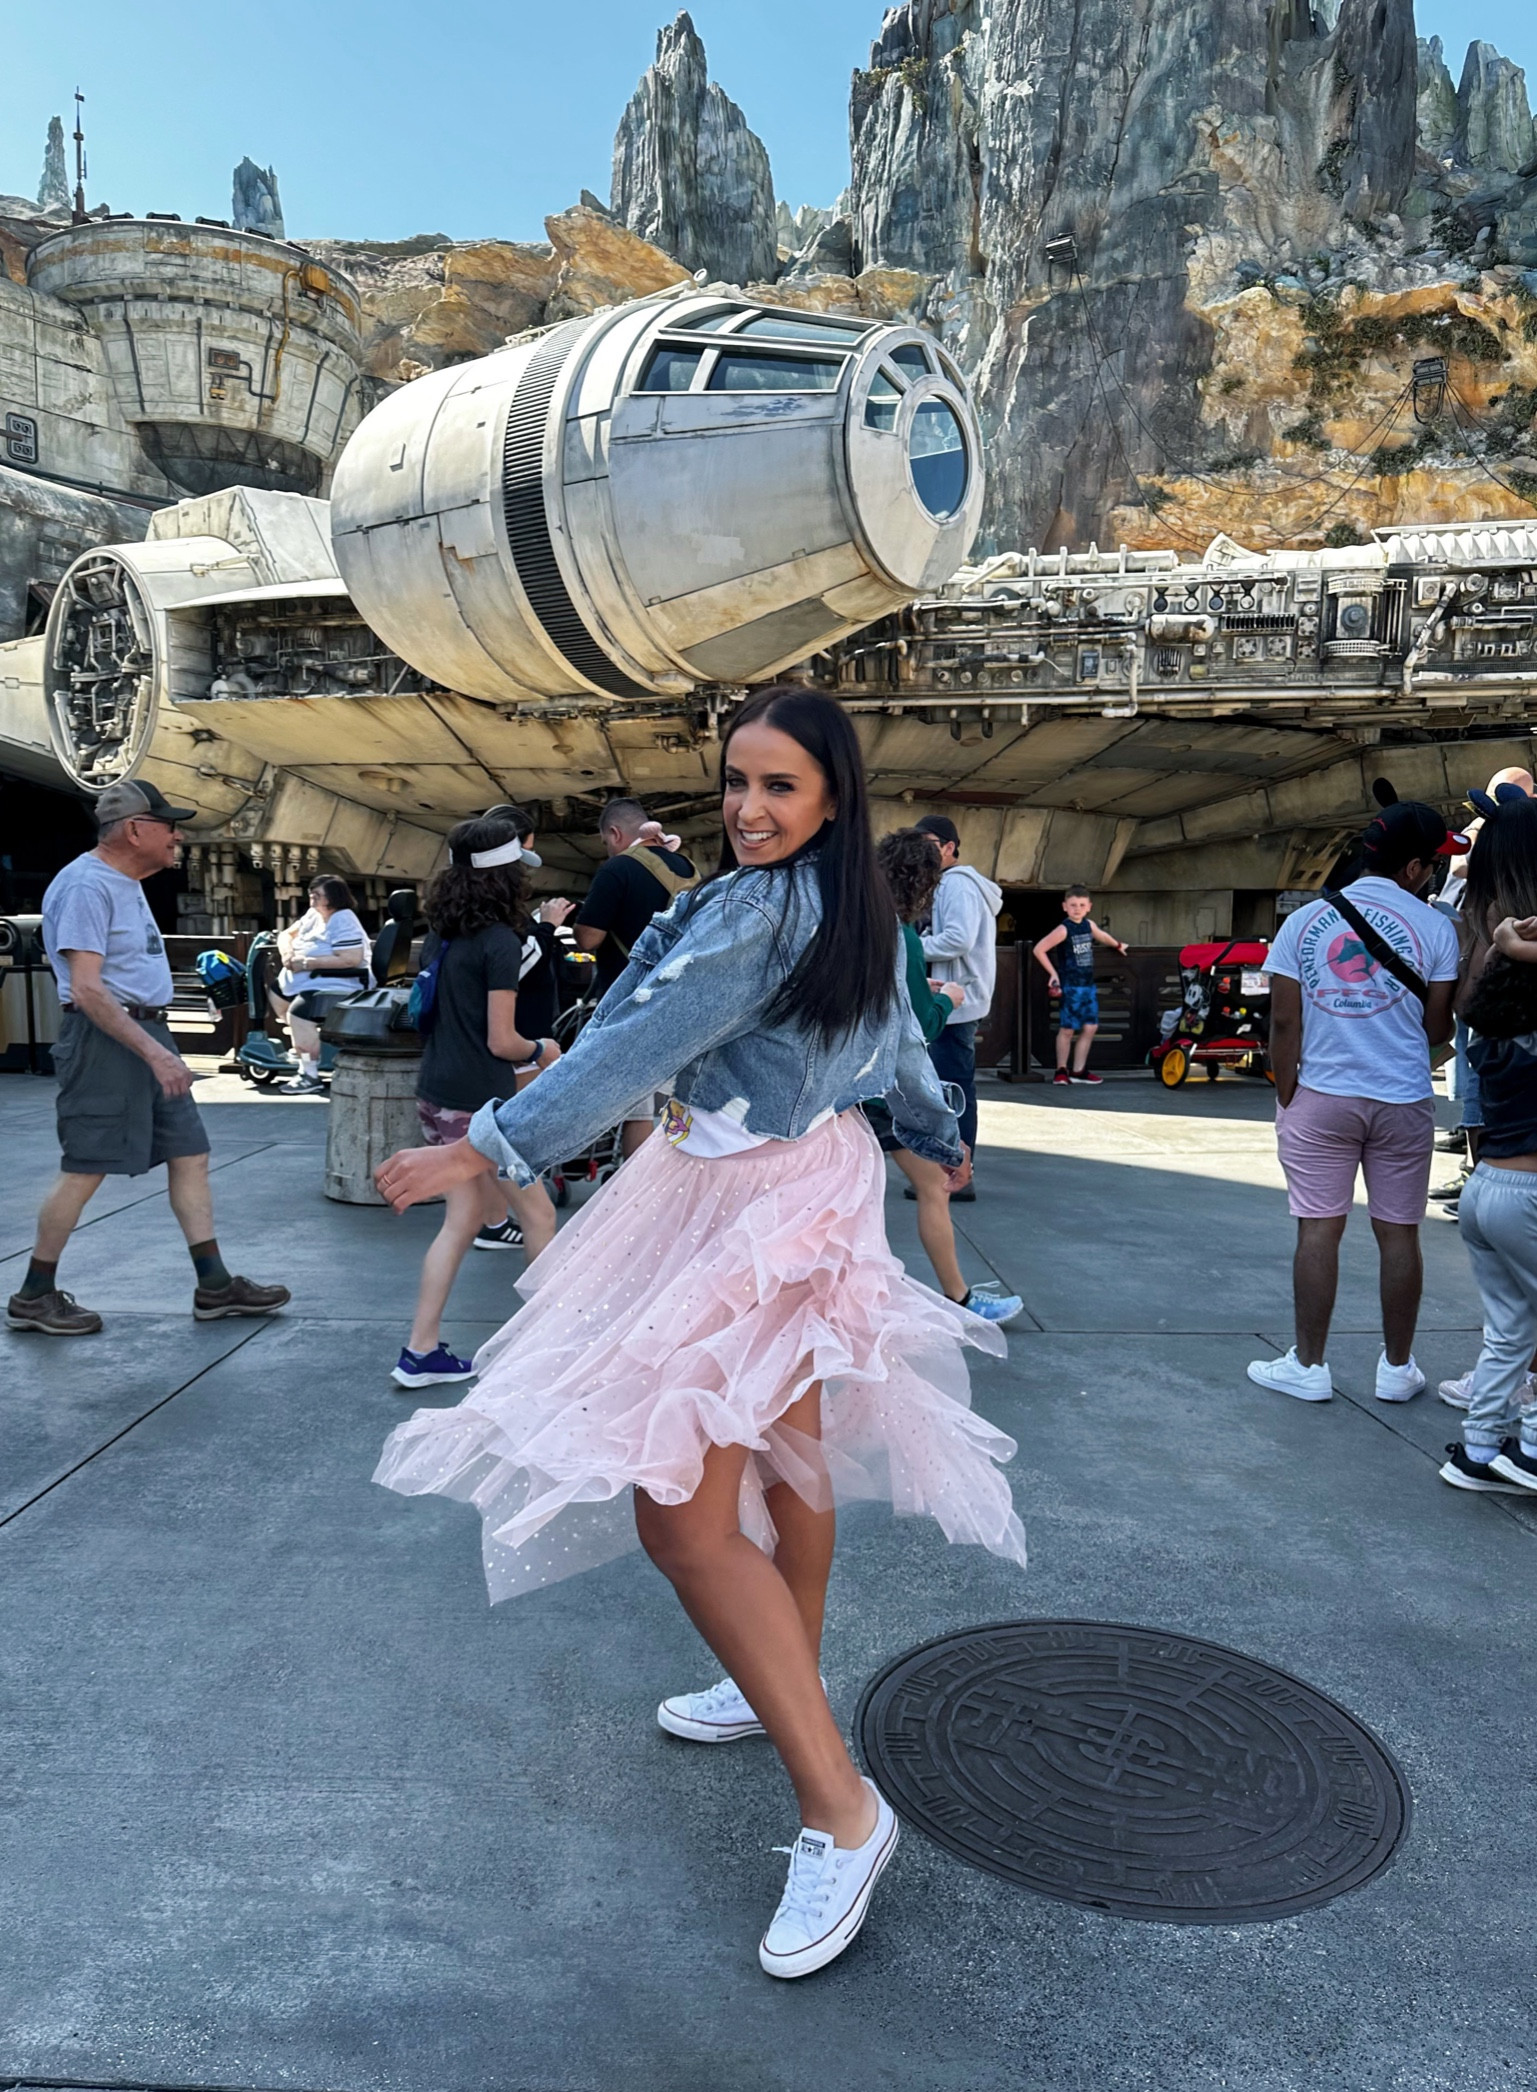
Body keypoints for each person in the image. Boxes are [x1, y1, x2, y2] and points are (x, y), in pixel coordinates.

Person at [371, 686, 1026, 1980]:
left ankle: (842, 1809)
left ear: (831, 795)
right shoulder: (842, 901)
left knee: (682, 1517)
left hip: (743, 1205)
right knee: (787, 1456)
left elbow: (639, 1047)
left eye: (779, 785)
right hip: (804, 1184)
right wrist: (932, 1137)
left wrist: (486, 1149)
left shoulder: (765, 909)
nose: (748, 807)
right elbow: (900, 1038)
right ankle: (776, 1677)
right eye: (737, 781)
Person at [6, 779, 290, 1337]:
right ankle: (33, 1294)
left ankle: (214, 1286)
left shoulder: (125, 881)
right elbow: (87, 990)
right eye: (167, 826)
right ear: (135, 830)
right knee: (86, 1165)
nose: (177, 836)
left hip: (144, 1031)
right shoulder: (87, 886)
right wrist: (156, 1055)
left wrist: (158, 1046)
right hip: (107, 1040)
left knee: (190, 1154)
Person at [1246, 792, 1462, 1404]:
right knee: (1400, 1235)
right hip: (1402, 1100)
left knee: (1319, 1230)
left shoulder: (1303, 922)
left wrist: (1287, 1093)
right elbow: (1437, 1030)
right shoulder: (1436, 928)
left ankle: (1309, 1366)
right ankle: (1397, 1369)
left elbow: (1283, 1021)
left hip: (1322, 1096)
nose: (1434, 873)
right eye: (1433, 864)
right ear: (1414, 868)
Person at [393, 815, 562, 1388]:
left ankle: (420, 1350)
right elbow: (502, 1041)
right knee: (539, 1216)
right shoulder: (500, 942)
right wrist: (543, 1050)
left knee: (462, 1221)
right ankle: (545, 1351)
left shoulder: (442, 933)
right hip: (479, 1108)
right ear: (509, 876)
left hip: (437, 1093)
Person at [872, 829, 1023, 1325]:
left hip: (840, 1091)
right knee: (936, 1185)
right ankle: (958, 1300)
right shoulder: (903, 936)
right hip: (880, 1093)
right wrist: (947, 999)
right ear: (924, 884)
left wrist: (919, 983)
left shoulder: (860, 925)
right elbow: (918, 1027)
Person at [1435, 796, 1537, 1491]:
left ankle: (1477, 1448)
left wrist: (1508, 946)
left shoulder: (1489, 960)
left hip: (1487, 1186)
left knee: (1510, 1328)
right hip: (1529, 1192)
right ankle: (1531, 1446)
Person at [472, 803, 575, 1254]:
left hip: (474, 1054)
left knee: (487, 1149)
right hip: (513, 1042)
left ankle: (491, 1221)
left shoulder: (462, 917)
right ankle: (496, 1224)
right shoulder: (498, 929)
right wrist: (547, 928)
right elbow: (516, 966)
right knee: (512, 1152)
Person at [575, 797, 700, 1157]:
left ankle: (638, 1187)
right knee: (673, 1107)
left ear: (615, 833)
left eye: (605, 842)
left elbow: (589, 939)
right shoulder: (688, 869)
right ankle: (672, 1179)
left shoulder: (617, 869)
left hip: (634, 1006)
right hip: (683, 1004)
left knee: (639, 1113)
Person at [912, 814, 1001, 1199]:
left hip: (955, 1003)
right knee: (950, 1088)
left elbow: (958, 940)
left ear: (950, 847)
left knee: (951, 1091)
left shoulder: (957, 884)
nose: (921, 851)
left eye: (929, 843)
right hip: (955, 999)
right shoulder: (952, 883)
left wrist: (909, 947)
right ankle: (952, 1173)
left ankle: (956, 1177)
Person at [270, 875, 371, 1095]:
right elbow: (286, 934)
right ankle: (306, 1046)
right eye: (311, 894)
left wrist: (307, 963)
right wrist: (287, 953)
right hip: (313, 979)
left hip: (342, 982)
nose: (312, 899)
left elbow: (351, 959)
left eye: (317, 895)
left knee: (299, 1013)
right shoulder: (313, 914)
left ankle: (309, 1074)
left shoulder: (343, 919)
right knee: (278, 995)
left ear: (333, 898)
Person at [1031, 884, 1129, 1086]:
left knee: (1090, 1027)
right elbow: (1039, 949)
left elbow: (1102, 936)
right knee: (1067, 1029)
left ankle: (1078, 1070)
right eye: (1073, 905)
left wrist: (1118, 945)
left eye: (1082, 905)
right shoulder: (1064, 929)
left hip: (1087, 985)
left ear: (1089, 907)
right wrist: (1053, 973)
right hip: (1070, 986)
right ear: (1065, 906)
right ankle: (1061, 1070)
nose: (1077, 909)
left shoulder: (1089, 925)